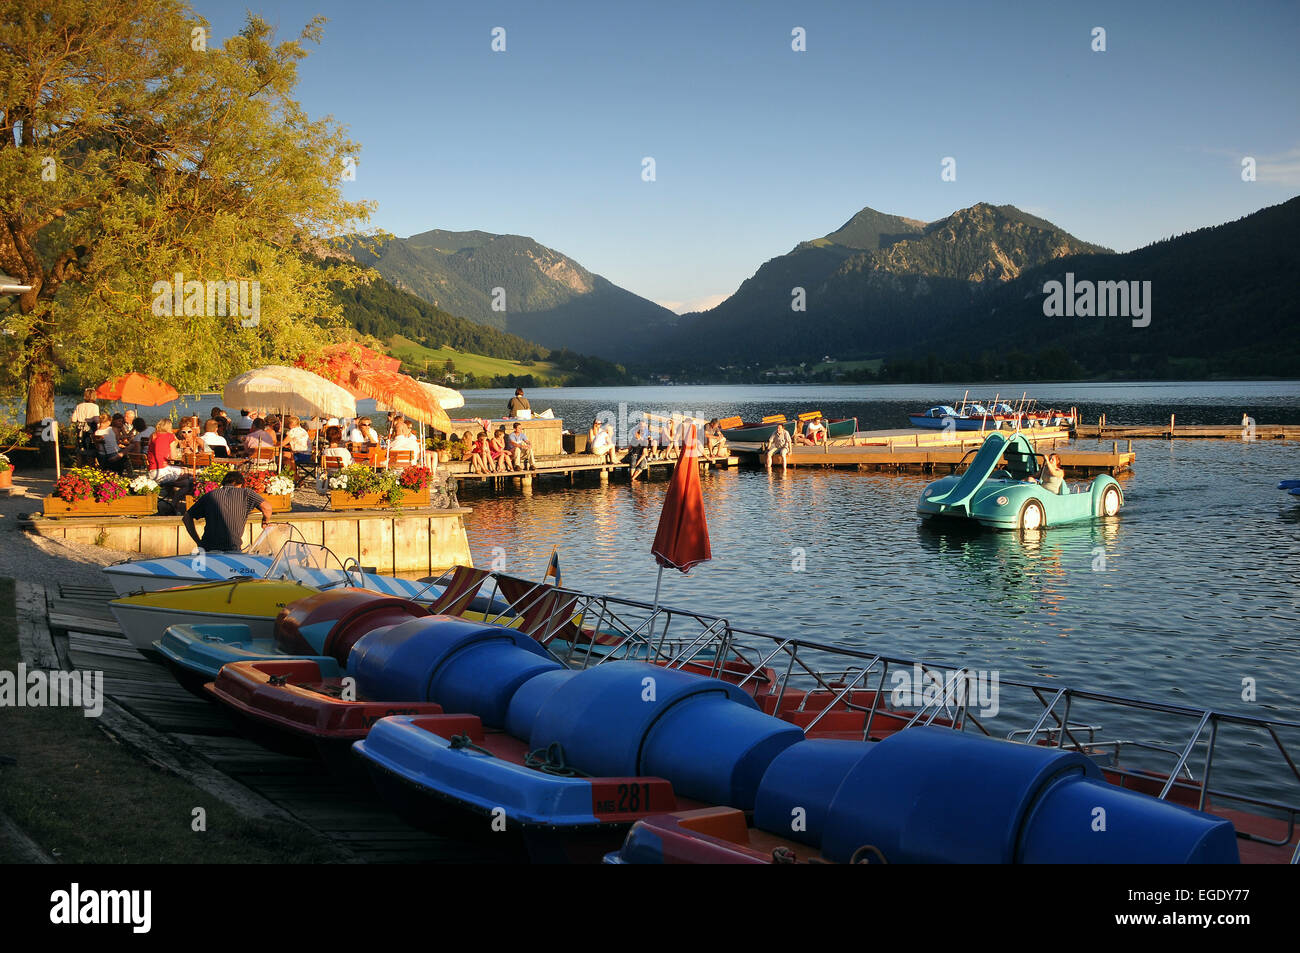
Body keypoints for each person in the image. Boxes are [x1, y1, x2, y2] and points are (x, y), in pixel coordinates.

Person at [182, 471, 272, 553]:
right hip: (232, 549)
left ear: (224, 483)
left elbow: (186, 517)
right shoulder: (246, 493)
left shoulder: (210, 495)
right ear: (241, 484)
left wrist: (198, 542)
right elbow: (267, 508)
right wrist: (265, 521)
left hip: (208, 548)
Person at [146, 419, 186, 484]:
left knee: (185, 475)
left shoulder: (153, 435)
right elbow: (173, 457)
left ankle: (172, 492)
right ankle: (177, 493)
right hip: (162, 472)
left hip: (152, 472)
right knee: (187, 474)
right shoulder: (170, 436)